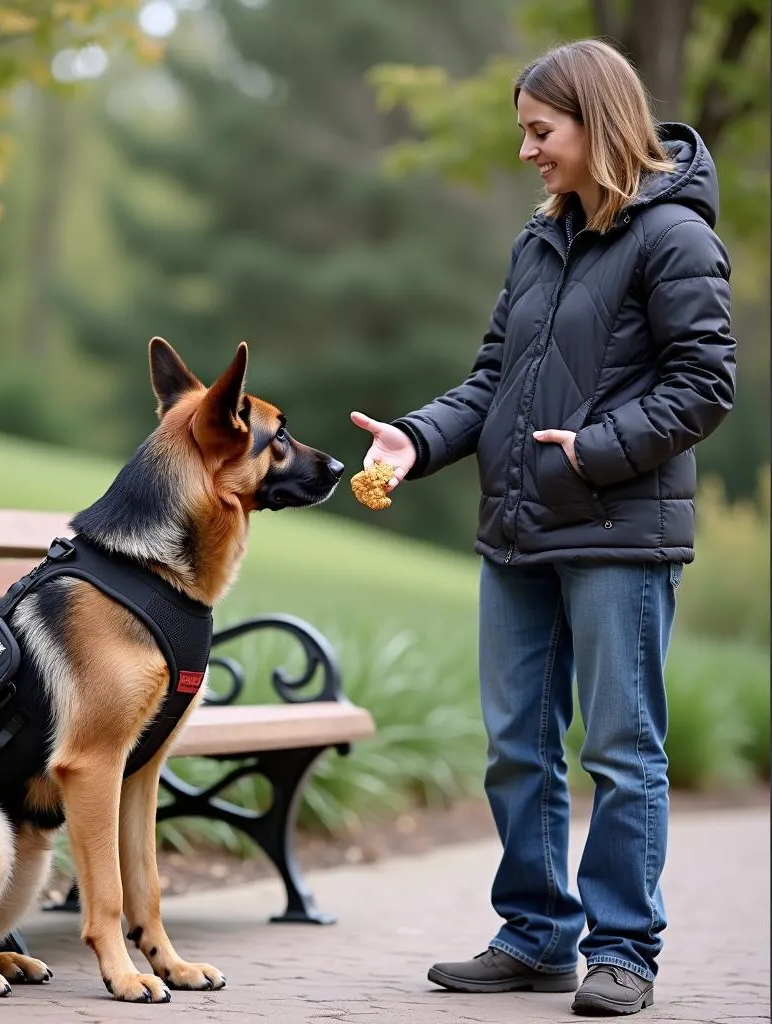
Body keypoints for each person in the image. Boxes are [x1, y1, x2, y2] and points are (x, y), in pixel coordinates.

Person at [351, 39, 735, 1017]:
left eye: (538, 131)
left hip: (616, 529)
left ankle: (623, 953)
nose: (525, 151)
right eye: (522, 131)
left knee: (618, 747)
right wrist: (413, 439)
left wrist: (593, 452)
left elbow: (703, 385)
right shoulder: (539, 239)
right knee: (515, 744)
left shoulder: (674, 238)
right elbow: (491, 382)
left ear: (594, 123)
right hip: (517, 530)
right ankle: (533, 935)